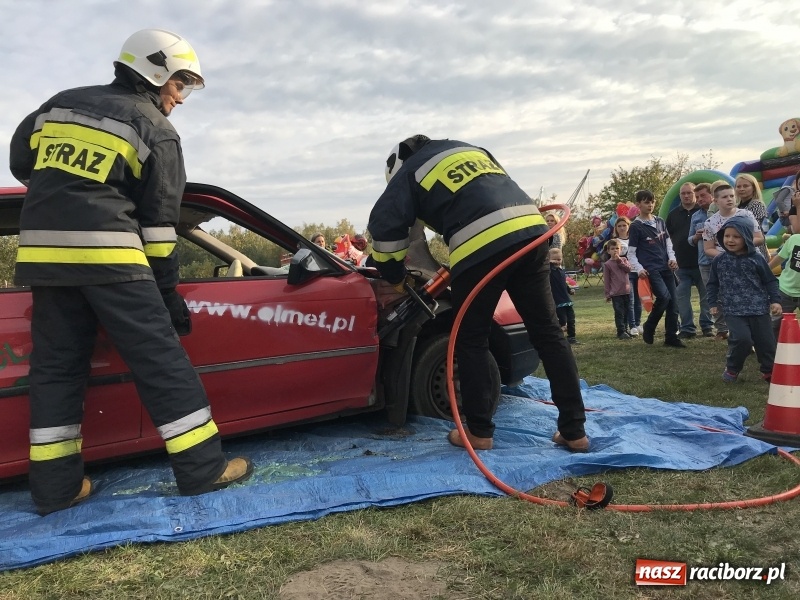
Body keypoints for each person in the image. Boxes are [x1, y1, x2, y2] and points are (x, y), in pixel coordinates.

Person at [9, 29, 252, 515]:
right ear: (154, 72)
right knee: (162, 363)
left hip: (46, 264)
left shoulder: (57, 106)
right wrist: (167, 295)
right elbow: (159, 229)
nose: (179, 98)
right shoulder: (154, 128)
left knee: (56, 371)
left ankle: (56, 489)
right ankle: (203, 469)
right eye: (180, 84)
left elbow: (21, 164)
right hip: (113, 263)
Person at [367, 135, 589, 452]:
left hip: (480, 246)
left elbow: (385, 230)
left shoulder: (409, 171)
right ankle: (574, 431)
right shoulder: (470, 150)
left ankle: (479, 432)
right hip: (532, 234)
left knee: (471, 338)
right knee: (549, 333)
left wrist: (394, 276)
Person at [706, 216, 781, 383]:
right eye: (727, 236)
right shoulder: (719, 260)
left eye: (736, 236)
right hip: (733, 310)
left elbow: (770, 281)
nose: (730, 240)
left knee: (766, 342)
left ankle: (769, 370)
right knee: (742, 339)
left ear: (746, 237)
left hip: (759, 309)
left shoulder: (757, 259)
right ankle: (732, 368)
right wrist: (712, 303)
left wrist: (775, 300)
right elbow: (712, 284)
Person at [702, 183, 765, 342]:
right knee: (731, 300)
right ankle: (738, 336)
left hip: (750, 262)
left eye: (731, 196)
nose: (730, 199)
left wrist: (741, 248)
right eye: (725, 197)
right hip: (727, 267)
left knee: (754, 297)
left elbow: (759, 238)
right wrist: (727, 256)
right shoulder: (710, 222)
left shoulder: (746, 215)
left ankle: (757, 336)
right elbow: (708, 248)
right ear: (715, 201)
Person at [627, 190, 685, 348]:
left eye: (652, 202)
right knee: (664, 298)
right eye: (646, 202)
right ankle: (649, 325)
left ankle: (671, 337)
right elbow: (631, 253)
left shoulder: (660, 221)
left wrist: (672, 258)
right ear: (638, 204)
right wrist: (639, 268)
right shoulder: (636, 226)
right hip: (650, 269)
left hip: (666, 267)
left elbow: (668, 243)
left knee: (673, 303)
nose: (650, 205)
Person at [665, 182, 712, 339]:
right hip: (680, 264)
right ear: (679, 195)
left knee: (706, 297)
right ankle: (687, 328)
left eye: (689, 193)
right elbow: (667, 239)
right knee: (682, 298)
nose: (686, 196)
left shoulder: (704, 212)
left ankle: (707, 326)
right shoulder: (673, 215)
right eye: (683, 193)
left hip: (702, 263)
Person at [687, 183, 717, 337]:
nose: (699, 199)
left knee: (726, 293)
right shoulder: (696, 216)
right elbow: (690, 239)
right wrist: (696, 237)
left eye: (703, 195)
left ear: (712, 195)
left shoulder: (720, 211)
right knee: (710, 295)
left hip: (721, 258)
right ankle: (718, 328)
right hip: (704, 261)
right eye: (697, 196)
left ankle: (728, 326)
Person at [768, 227, 800, 339]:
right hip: (785, 290)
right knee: (775, 324)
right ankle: (771, 347)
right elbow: (780, 257)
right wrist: (765, 271)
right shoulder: (794, 239)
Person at [611, 216, 640, 336]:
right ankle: (632, 325)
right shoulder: (615, 242)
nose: (622, 228)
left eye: (624, 225)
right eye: (619, 226)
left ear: (629, 226)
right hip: (626, 274)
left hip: (638, 271)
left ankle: (637, 323)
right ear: (616, 228)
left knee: (638, 299)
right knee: (630, 300)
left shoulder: (635, 238)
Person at [734, 173, 770, 261]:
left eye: (745, 186)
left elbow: (754, 227)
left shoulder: (757, 204)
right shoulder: (737, 207)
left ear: (753, 187)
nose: (741, 189)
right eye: (738, 186)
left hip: (755, 249)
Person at [548, 247, 579, 345]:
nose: (557, 262)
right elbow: (545, 267)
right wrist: (549, 262)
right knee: (562, 321)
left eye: (559, 259)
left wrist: (570, 290)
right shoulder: (549, 271)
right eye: (554, 259)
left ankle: (572, 337)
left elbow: (564, 284)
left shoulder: (561, 271)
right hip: (558, 301)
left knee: (571, 319)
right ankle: (557, 337)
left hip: (567, 300)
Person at [603, 239, 632, 340]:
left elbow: (628, 269)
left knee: (626, 311)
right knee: (619, 312)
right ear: (608, 251)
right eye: (612, 249)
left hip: (626, 291)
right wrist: (607, 294)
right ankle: (621, 331)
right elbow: (607, 280)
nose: (615, 250)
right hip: (616, 293)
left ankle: (625, 329)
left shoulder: (624, 260)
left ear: (621, 249)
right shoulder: (608, 264)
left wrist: (619, 261)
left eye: (617, 248)